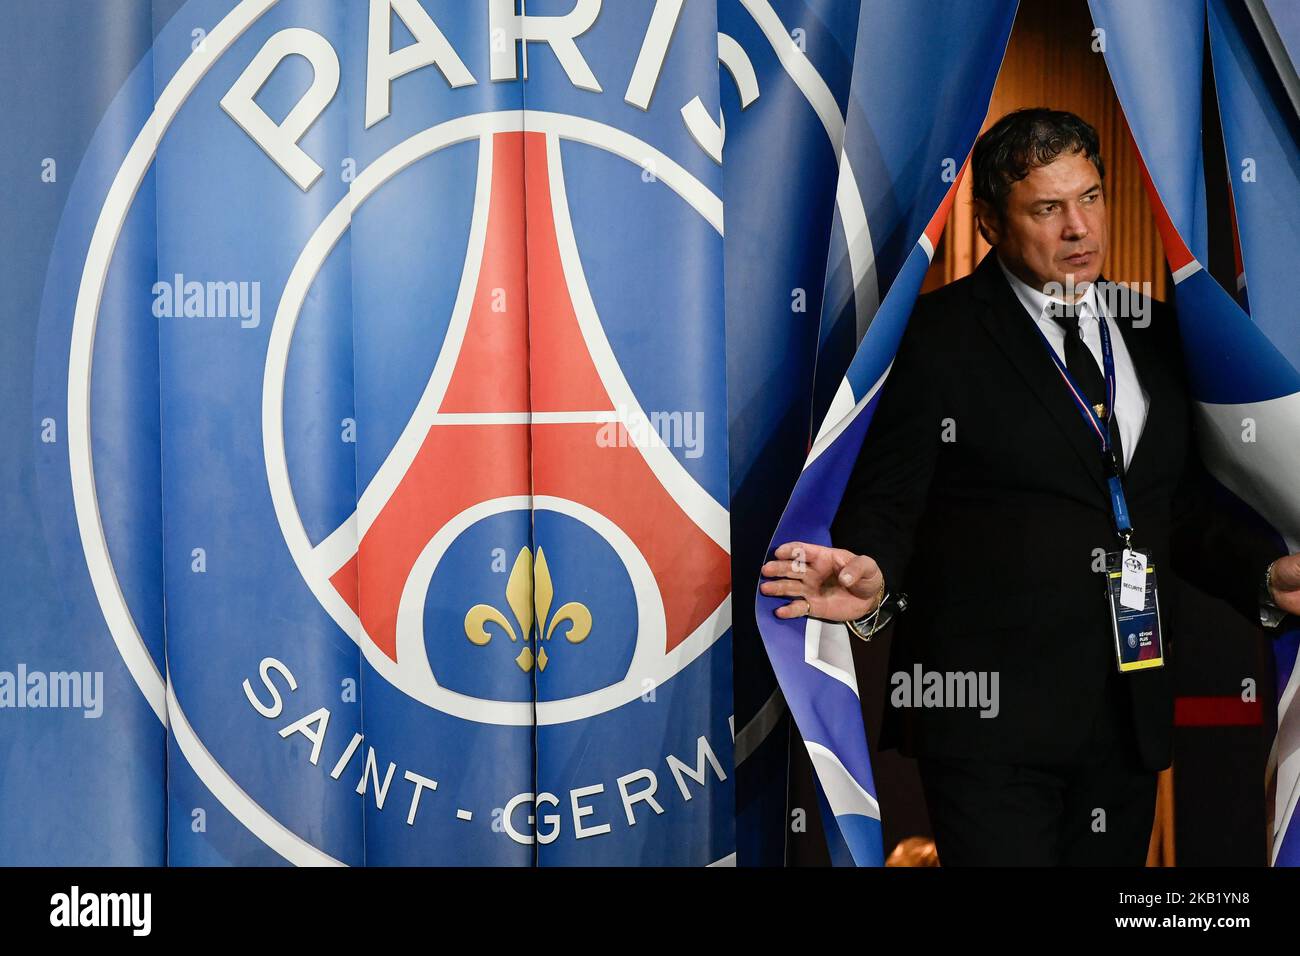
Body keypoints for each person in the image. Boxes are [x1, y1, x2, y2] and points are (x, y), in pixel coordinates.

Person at [759, 108, 1300, 866]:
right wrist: (872, 577)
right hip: (990, 729)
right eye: (1048, 208)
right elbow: (890, 502)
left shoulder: (1156, 329)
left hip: (1128, 713)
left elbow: (1172, 505)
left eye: (1091, 197)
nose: (1079, 227)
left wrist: (1263, 574)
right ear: (988, 223)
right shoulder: (933, 337)